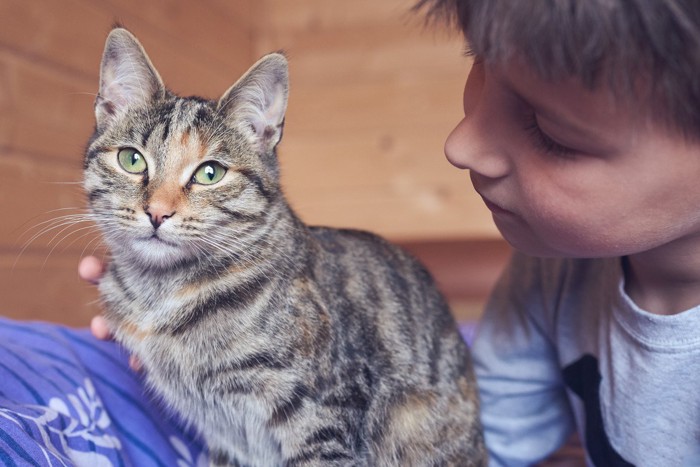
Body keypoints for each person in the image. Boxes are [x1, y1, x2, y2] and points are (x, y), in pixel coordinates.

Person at [85, 0, 700, 465]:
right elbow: (499, 445)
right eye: (478, 68)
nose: (459, 144)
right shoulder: (549, 272)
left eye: (550, 129)